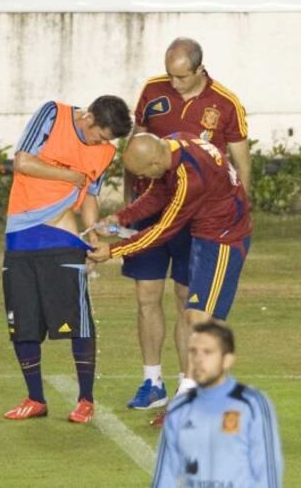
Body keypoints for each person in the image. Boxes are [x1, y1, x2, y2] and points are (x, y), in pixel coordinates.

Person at [121, 37, 251, 411]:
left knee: (185, 300)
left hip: (194, 217)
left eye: (180, 76)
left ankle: (186, 387)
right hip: (151, 205)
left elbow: (241, 159)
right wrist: (131, 200)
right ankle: (151, 381)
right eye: (169, 74)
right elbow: (135, 144)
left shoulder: (226, 103)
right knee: (146, 297)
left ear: (199, 70)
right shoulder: (152, 90)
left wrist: (240, 206)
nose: (173, 83)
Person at [88, 132, 251, 403]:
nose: (144, 179)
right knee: (199, 319)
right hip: (205, 234)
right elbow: (157, 193)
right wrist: (121, 216)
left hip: (224, 237)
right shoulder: (174, 144)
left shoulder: (189, 177)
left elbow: (163, 230)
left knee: (201, 320)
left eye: (143, 173)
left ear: (153, 164)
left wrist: (112, 251)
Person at [2, 95, 132, 423]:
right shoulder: (52, 114)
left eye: (108, 141)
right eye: (99, 135)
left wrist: (93, 235)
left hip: (62, 237)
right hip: (19, 237)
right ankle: (35, 398)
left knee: (77, 320)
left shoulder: (105, 150)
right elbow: (22, 162)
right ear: (88, 117)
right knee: (23, 323)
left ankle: (85, 400)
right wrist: (71, 177)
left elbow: (90, 194)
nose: (101, 144)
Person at [152, 322, 283, 488]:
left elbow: (267, 473)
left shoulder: (252, 406)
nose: (198, 360)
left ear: (227, 360)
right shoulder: (179, 410)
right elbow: (164, 476)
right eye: (193, 352)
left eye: (208, 352)